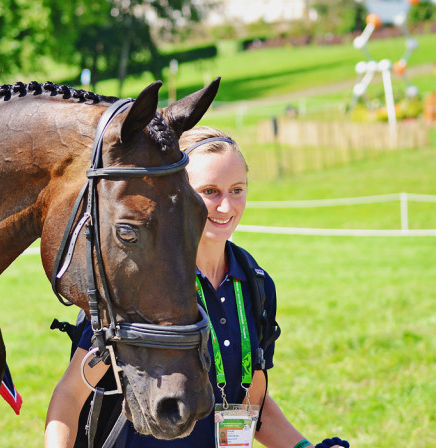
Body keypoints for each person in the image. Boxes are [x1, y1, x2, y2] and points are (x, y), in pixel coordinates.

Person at [44, 126, 348, 448]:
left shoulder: (255, 284)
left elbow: (252, 407)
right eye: (210, 191)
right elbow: (70, 397)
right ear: (179, 194)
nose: (227, 207)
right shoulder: (138, 283)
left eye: (237, 190)